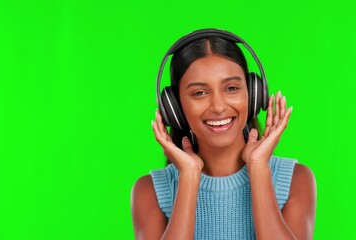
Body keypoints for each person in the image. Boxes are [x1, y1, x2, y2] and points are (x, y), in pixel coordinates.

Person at [131, 29, 316, 240]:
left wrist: (258, 168)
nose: (218, 107)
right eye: (199, 93)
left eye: (231, 88)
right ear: (175, 108)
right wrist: (189, 176)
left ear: (253, 94)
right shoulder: (150, 192)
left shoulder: (295, 179)